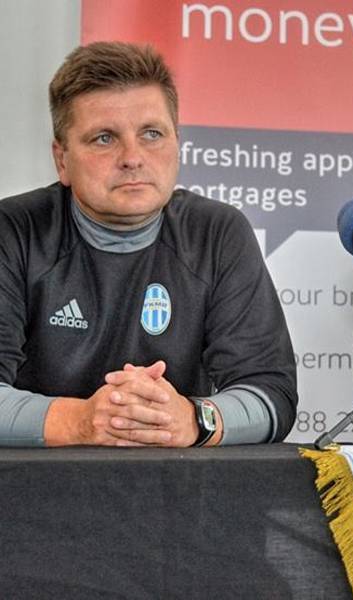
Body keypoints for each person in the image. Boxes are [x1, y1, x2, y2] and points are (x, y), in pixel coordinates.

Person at [0, 41, 297, 447]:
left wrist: (192, 419)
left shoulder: (217, 232)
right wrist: (81, 421)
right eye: (104, 138)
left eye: (152, 134)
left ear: (178, 145)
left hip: (182, 496)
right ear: (62, 160)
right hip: (32, 496)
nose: (132, 157)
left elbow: (272, 395)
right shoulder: (13, 230)